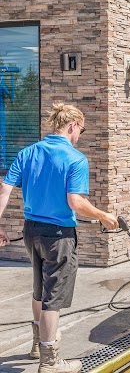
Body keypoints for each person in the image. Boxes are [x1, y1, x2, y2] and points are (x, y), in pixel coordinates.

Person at [0, 102, 119, 373]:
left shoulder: (28, 152)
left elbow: (4, 190)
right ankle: (51, 362)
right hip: (58, 236)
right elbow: (75, 201)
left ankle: (36, 344)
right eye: (81, 130)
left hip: (31, 230)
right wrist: (103, 216)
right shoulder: (75, 158)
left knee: (39, 288)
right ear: (72, 125)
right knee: (53, 296)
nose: (80, 136)